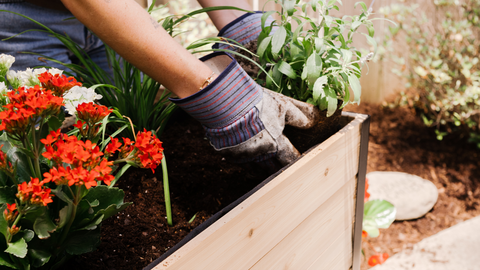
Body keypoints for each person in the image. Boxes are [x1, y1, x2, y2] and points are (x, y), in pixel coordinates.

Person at [0, 0, 320, 169]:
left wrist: (240, 27)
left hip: (122, 12)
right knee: (42, 159)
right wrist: (207, 87)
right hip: (22, 18)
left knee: (132, 124)